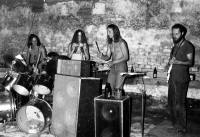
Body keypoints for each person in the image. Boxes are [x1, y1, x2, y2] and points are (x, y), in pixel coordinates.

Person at [165, 23, 195, 134]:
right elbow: (171, 62)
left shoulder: (188, 45)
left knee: (179, 104)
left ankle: (182, 127)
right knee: (171, 103)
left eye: (177, 34)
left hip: (182, 79)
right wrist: (167, 66)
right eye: (173, 34)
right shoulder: (174, 47)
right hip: (172, 78)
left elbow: (190, 62)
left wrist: (178, 62)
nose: (174, 36)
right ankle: (175, 124)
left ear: (182, 33)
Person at [97, 24, 129, 94]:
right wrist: (102, 56)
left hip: (121, 67)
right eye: (107, 32)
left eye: (109, 31)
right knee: (109, 88)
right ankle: (110, 104)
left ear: (115, 32)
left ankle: (118, 104)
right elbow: (108, 56)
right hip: (113, 68)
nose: (108, 34)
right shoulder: (110, 43)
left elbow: (126, 57)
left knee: (118, 90)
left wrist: (113, 62)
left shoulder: (122, 42)